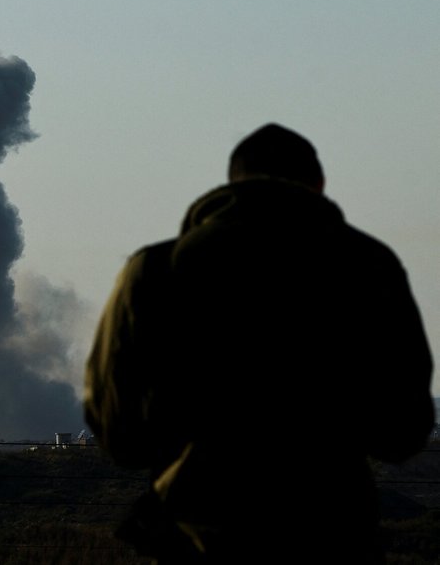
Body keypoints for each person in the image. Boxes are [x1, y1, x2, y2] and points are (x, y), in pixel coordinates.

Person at [84, 124, 434, 564]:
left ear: (231, 183)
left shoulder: (154, 270)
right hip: (333, 535)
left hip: (197, 537)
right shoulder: (372, 267)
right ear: (319, 186)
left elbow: (121, 433)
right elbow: (403, 431)